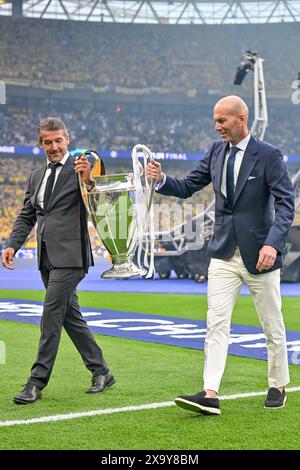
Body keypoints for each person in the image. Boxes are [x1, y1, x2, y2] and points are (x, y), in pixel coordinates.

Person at [147, 96, 294, 415]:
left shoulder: (269, 156)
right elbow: (188, 186)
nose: (217, 126)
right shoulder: (216, 151)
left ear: (242, 119)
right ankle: (210, 392)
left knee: (272, 324)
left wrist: (273, 243)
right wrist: (161, 181)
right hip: (224, 253)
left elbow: (285, 204)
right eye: (215, 120)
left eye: (222, 120)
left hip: (261, 255)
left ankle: (277, 384)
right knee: (215, 323)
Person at [1, 117, 115, 404]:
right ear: (41, 144)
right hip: (46, 257)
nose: (53, 146)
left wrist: (89, 181)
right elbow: (28, 214)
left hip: (72, 258)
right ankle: (101, 371)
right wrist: (12, 244)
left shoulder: (82, 169)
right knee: (69, 318)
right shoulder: (36, 176)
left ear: (67, 140)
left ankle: (35, 383)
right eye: (48, 142)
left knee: (50, 316)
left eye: (58, 141)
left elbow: (104, 204)